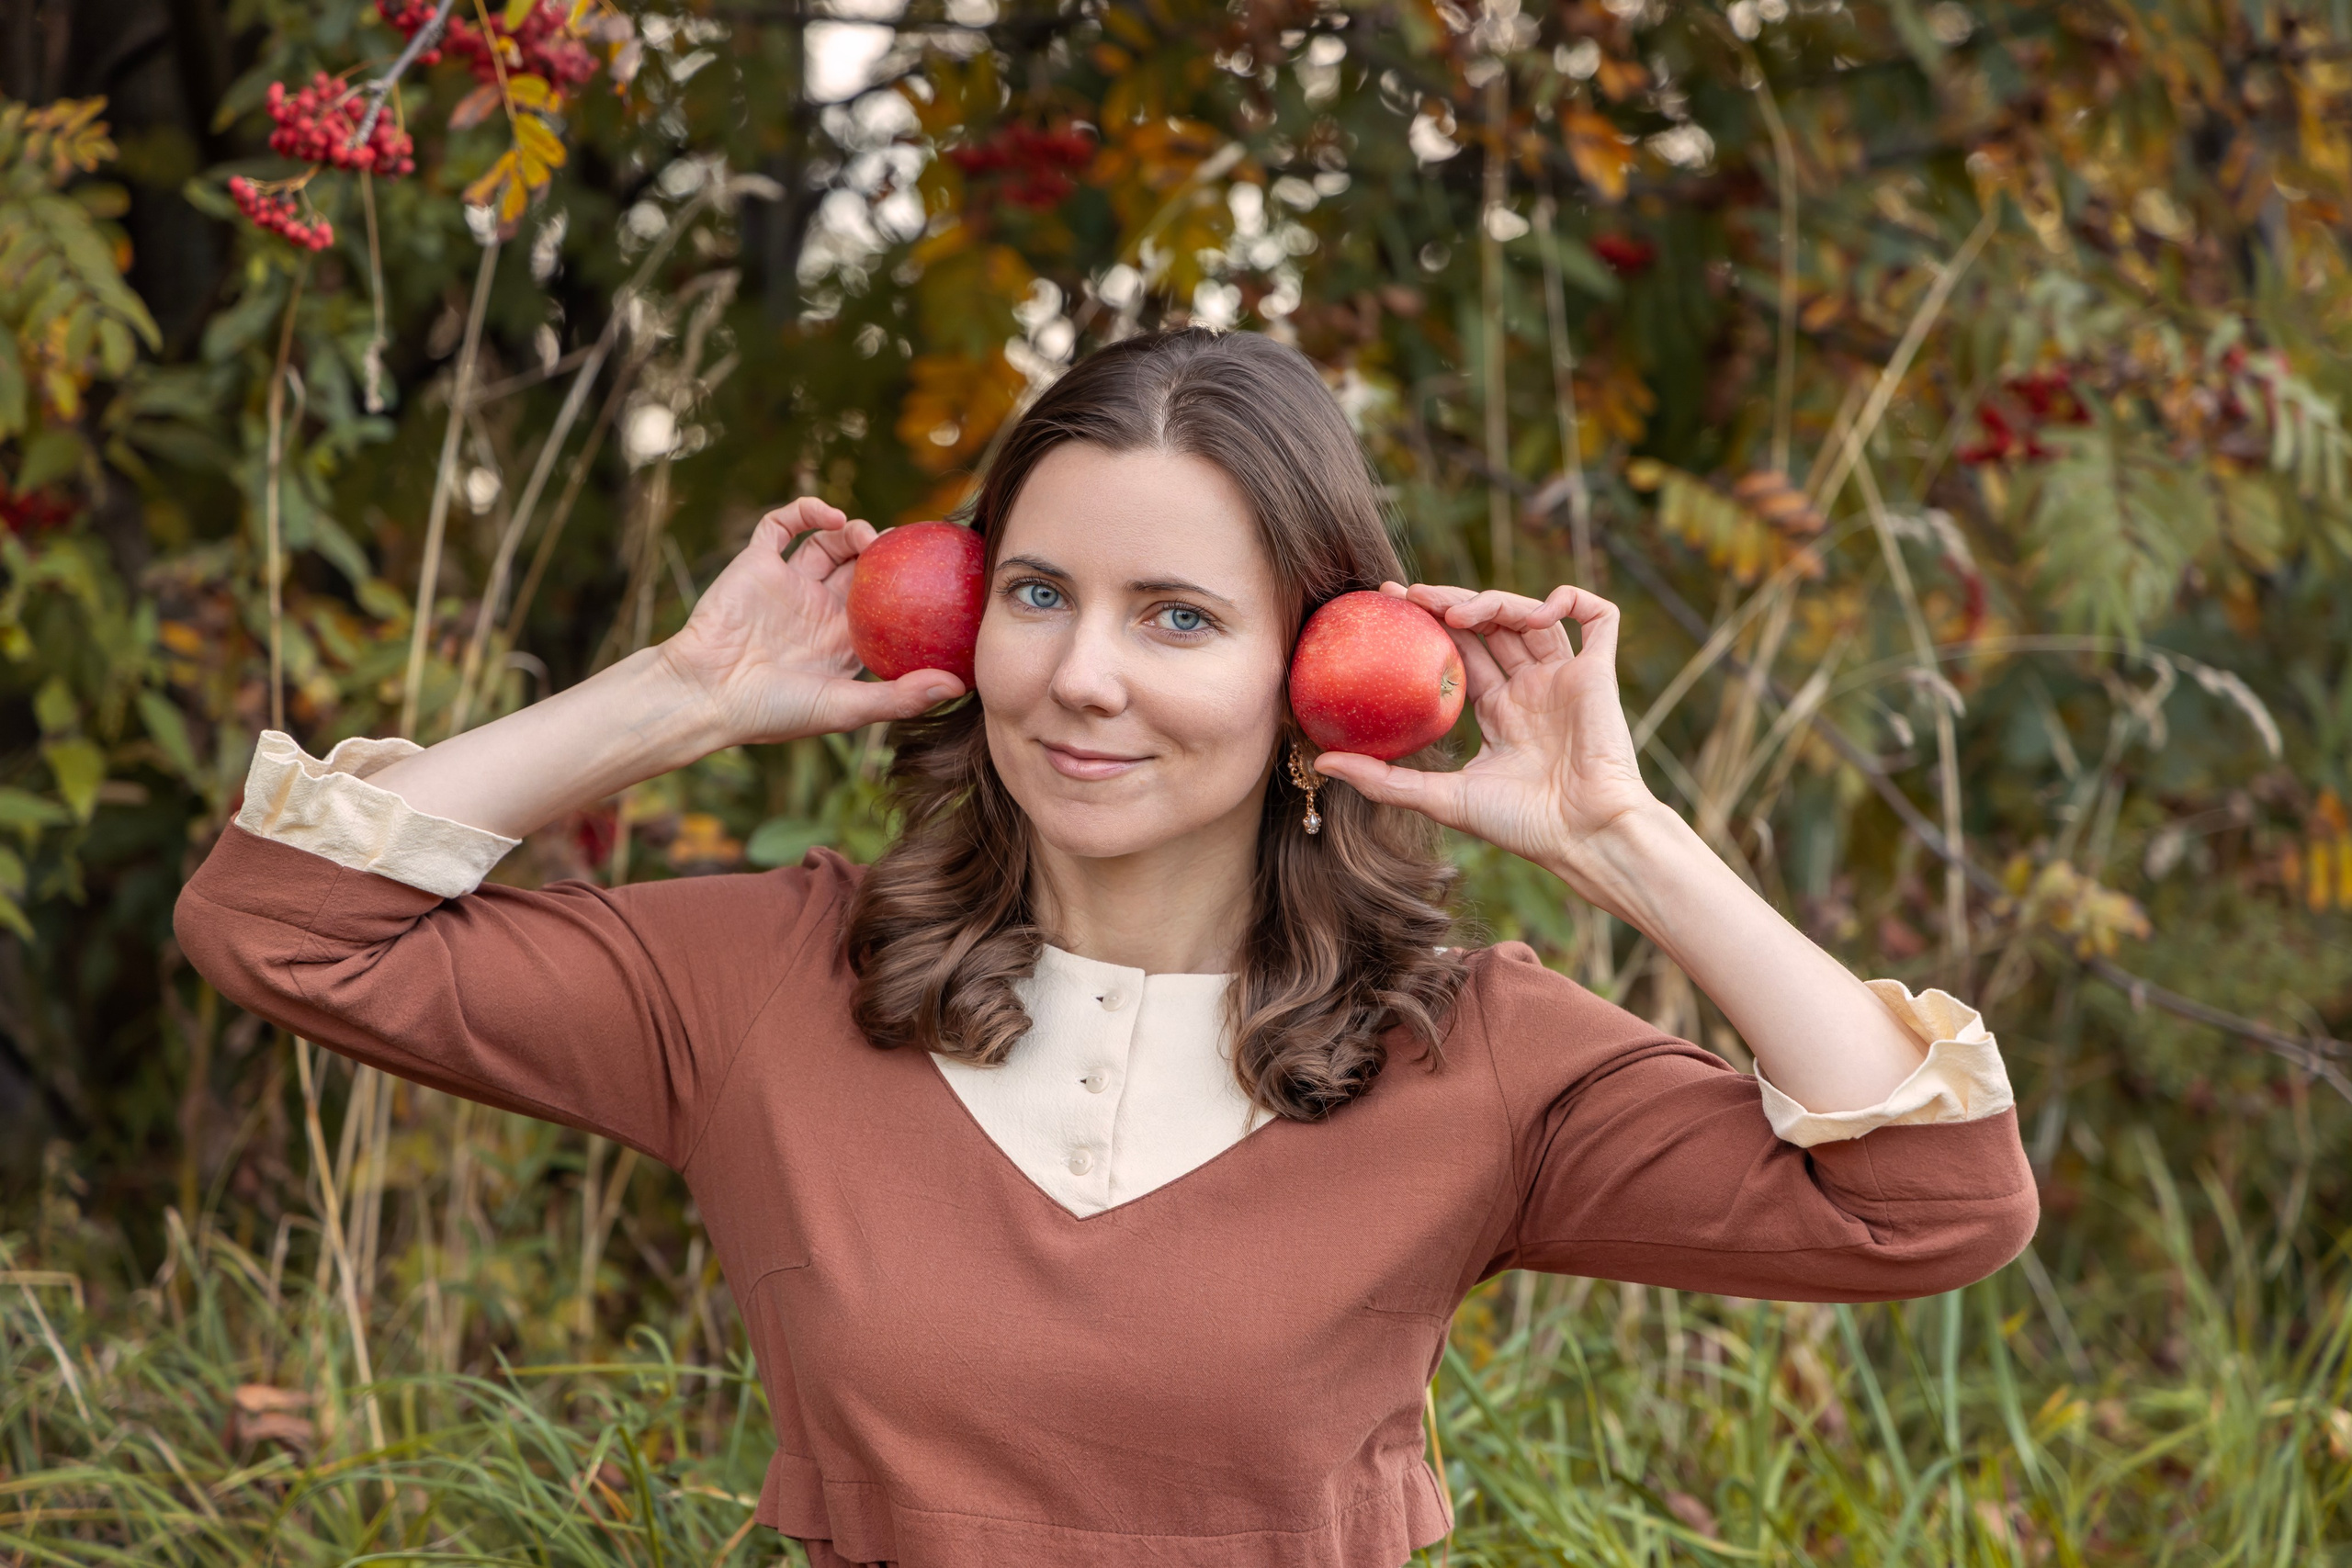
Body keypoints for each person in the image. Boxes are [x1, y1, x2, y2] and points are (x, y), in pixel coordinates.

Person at [175, 327, 2035, 1567]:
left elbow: (1930, 1200)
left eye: (1175, 615)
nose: (1081, 675)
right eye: (1044, 594)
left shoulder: (1467, 1055)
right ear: (969, 611)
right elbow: (283, 921)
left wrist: (1626, 841)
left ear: (1311, 663)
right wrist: (681, 693)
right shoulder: (768, 986)